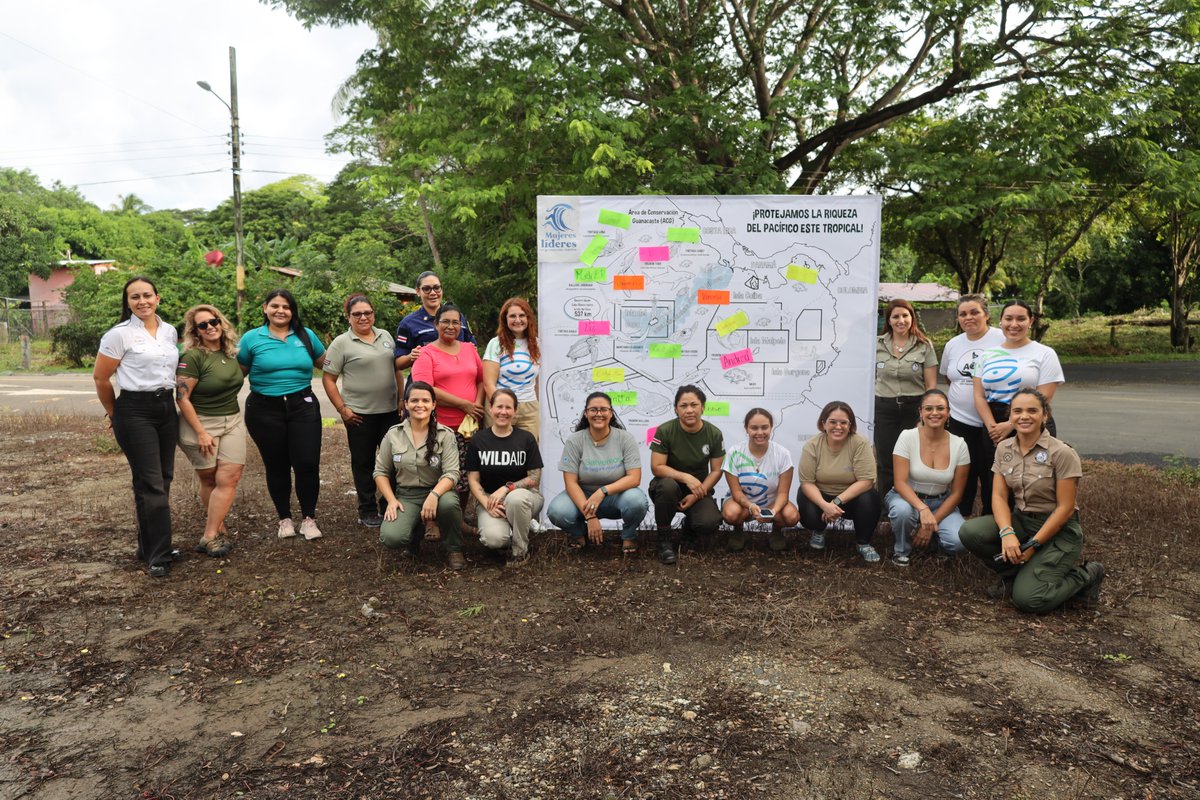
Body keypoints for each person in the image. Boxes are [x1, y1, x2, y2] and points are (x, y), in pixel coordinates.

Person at [959, 388, 1104, 613]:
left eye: (1032, 411)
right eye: (1017, 411)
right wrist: (1007, 533)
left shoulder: (1062, 453)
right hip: (1022, 521)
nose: (1024, 416)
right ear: (1010, 416)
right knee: (970, 532)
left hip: (1058, 530)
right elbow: (999, 496)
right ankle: (1012, 576)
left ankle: (1087, 575)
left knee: (1030, 601)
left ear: (1045, 415)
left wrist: (1034, 545)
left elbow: (1065, 508)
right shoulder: (1004, 448)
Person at [93, 276, 180, 578]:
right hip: (135, 410)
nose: (142, 301)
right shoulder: (119, 335)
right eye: (134, 297)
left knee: (162, 479)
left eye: (147, 295)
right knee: (150, 482)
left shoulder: (170, 331)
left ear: (157, 298)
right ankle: (159, 554)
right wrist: (114, 413)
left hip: (166, 407)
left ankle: (149, 545)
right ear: (127, 302)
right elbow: (101, 378)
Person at [238, 289, 327, 541]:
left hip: (303, 405)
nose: (280, 311)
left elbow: (327, 364)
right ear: (265, 308)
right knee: (276, 464)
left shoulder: (306, 335)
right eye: (275, 306)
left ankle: (309, 519)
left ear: (292, 311)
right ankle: (284, 518)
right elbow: (237, 374)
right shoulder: (251, 338)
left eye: (286, 307)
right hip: (264, 409)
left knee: (307, 463)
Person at [322, 295, 400, 528]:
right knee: (363, 463)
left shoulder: (385, 336)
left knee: (393, 461)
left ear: (374, 314)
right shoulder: (341, 343)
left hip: (390, 412)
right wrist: (342, 409)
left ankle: (389, 504)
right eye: (357, 314)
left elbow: (396, 369)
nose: (363, 317)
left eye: (368, 312)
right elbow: (328, 379)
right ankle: (367, 509)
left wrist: (402, 399)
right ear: (348, 317)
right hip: (359, 415)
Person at [175, 304, 246, 558]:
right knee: (209, 479)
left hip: (232, 421)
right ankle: (218, 530)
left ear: (221, 322)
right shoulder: (193, 357)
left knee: (230, 477)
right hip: (201, 423)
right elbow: (182, 398)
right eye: (202, 325)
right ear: (196, 331)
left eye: (213, 321)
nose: (210, 327)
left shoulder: (231, 353)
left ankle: (208, 535)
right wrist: (201, 432)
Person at [373, 381, 466, 570]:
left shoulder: (445, 435)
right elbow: (380, 472)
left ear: (433, 404)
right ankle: (413, 539)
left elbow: (452, 473)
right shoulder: (393, 435)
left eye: (425, 400)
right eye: (414, 400)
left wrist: (434, 495)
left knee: (449, 504)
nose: (420, 405)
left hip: (440, 492)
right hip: (407, 495)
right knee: (391, 537)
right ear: (406, 404)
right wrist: (391, 500)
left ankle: (454, 549)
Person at [546, 391, 649, 554]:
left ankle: (629, 536)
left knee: (637, 501)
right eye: (593, 409)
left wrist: (602, 491)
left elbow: (634, 478)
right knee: (557, 511)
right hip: (584, 496)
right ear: (586, 413)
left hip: (616, 496)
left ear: (611, 413)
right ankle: (579, 534)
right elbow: (570, 482)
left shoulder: (625, 438)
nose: (598, 414)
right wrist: (590, 517)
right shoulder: (575, 440)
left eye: (603, 409)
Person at [973, 300, 1065, 478]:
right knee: (996, 480)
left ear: (1031, 321)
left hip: (1032, 421)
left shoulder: (1045, 353)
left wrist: (1010, 425)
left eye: (1021, 319)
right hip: (994, 424)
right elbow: (979, 396)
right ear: (1000, 321)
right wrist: (993, 429)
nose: (1014, 324)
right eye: (1008, 319)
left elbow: (1044, 398)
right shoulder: (986, 355)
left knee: (1034, 481)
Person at [411, 302, 485, 521]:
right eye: (445, 322)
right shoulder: (426, 353)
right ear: (436, 324)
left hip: (468, 426)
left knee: (464, 474)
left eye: (456, 322)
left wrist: (475, 406)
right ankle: (432, 521)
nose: (451, 326)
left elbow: (481, 379)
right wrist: (463, 404)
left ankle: (457, 519)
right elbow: (424, 389)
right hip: (439, 426)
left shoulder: (469, 349)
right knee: (435, 472)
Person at [885, 389, 970, 567]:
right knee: (902, 511)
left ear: (948, 412)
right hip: (906, 497)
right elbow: (899, 483)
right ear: (921, 412)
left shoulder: (960, 444)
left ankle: (936, 541)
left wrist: (931, 524)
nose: (934, 413)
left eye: (940, 408)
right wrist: (923, 509)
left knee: (959, 541)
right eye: (928, 408)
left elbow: (956, 494)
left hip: (941, 501)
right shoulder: (907, 436)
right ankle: (902, 550)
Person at [939, 294, 1005, 515]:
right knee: (963, 474)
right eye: (963, 314)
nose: (969, 317)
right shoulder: (953, 345)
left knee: (992, 474)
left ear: (986, 314)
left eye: (974, 312)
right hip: (960, 421)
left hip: (995, 423)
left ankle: (992, 520)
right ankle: (960, 519)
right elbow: (949, 377)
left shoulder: (1002, 338)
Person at [465, 390, 544, 568]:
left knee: (515, 499)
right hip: (490, 499)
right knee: (494, 540)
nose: (503, 412)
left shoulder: (526, 438)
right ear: (490, 409)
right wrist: (486, 503)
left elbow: (534, 477)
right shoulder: (479, 440)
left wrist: (507, 488)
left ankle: (520, 551)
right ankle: (511, 534)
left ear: (515, 411)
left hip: (525, 497)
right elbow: (473, 479)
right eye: (499, 407)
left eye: (508, 407)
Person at [797, 401, 883, 563]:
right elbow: (807, 482)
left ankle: (863, 543)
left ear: (850, 425)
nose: (838, 427)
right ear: (823, 424)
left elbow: (866, 481)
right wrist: (825, 505)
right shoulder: (812, 445)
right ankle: (819, 530)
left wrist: (836, 502)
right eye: (833, 422)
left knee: (870, 497)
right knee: (804, 496)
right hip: (821, 498)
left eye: (843, 422)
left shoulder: (860, 443)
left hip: (850, 499)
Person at [649, 385, 726, 564]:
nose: (689, 410)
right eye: (683, 406)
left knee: (709, 522)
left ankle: (690, 527)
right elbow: (657, 467)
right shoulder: (665, 430)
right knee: (667, 486)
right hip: (667, 488)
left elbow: (716, 470)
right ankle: (664, 540)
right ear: (676, 409)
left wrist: (697, 494)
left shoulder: (714, 434)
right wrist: (685, 477)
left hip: (698, 490)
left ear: (703, 407)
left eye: (694, 405)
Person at [874, 299, 938, 496]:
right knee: (886, 461)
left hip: (914, 410)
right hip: (884, 410)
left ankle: (912, 504)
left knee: (913, 460)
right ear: (889, 320)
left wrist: (924, 417)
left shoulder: (923, 345)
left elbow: (931, 387)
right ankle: (886, 506)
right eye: (896, 316)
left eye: (905, 315)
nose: (901, 320)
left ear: (912, 318)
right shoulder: (876, 344)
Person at [720, 408, 800, 553]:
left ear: (771, 427)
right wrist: (751, 506)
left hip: (772, 503)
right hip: (742, 503)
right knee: (731, 513)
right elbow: (736, 492)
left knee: (792, 516)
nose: (760, 432)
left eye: (764, 427)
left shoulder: (783, 454)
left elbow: (783, 494)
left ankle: (777, 531)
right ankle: (738, 529)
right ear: (746, 428)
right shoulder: (734, 453)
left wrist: (773, 511)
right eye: (754, 428)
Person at [393, 270, 477, 375]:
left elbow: (472, 346)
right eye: (426, 289)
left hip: (457, 378)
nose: (433, 293)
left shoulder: (458, 317)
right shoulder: (408, 323)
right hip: (425, 380)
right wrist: (411, 356)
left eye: (436, 288)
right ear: (418, 291)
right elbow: (398, 363)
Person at [482, 297, 541, 439]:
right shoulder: (496, 344)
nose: (517, 320)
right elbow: (488, 384)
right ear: (505, 319)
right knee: (497, 449)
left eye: (522, 315)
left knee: (528, 449)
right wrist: (502, 407)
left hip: (529, 408)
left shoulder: (537, 344)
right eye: (512, 316)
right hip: (500, 407)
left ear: (528, 318)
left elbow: (538, 382)